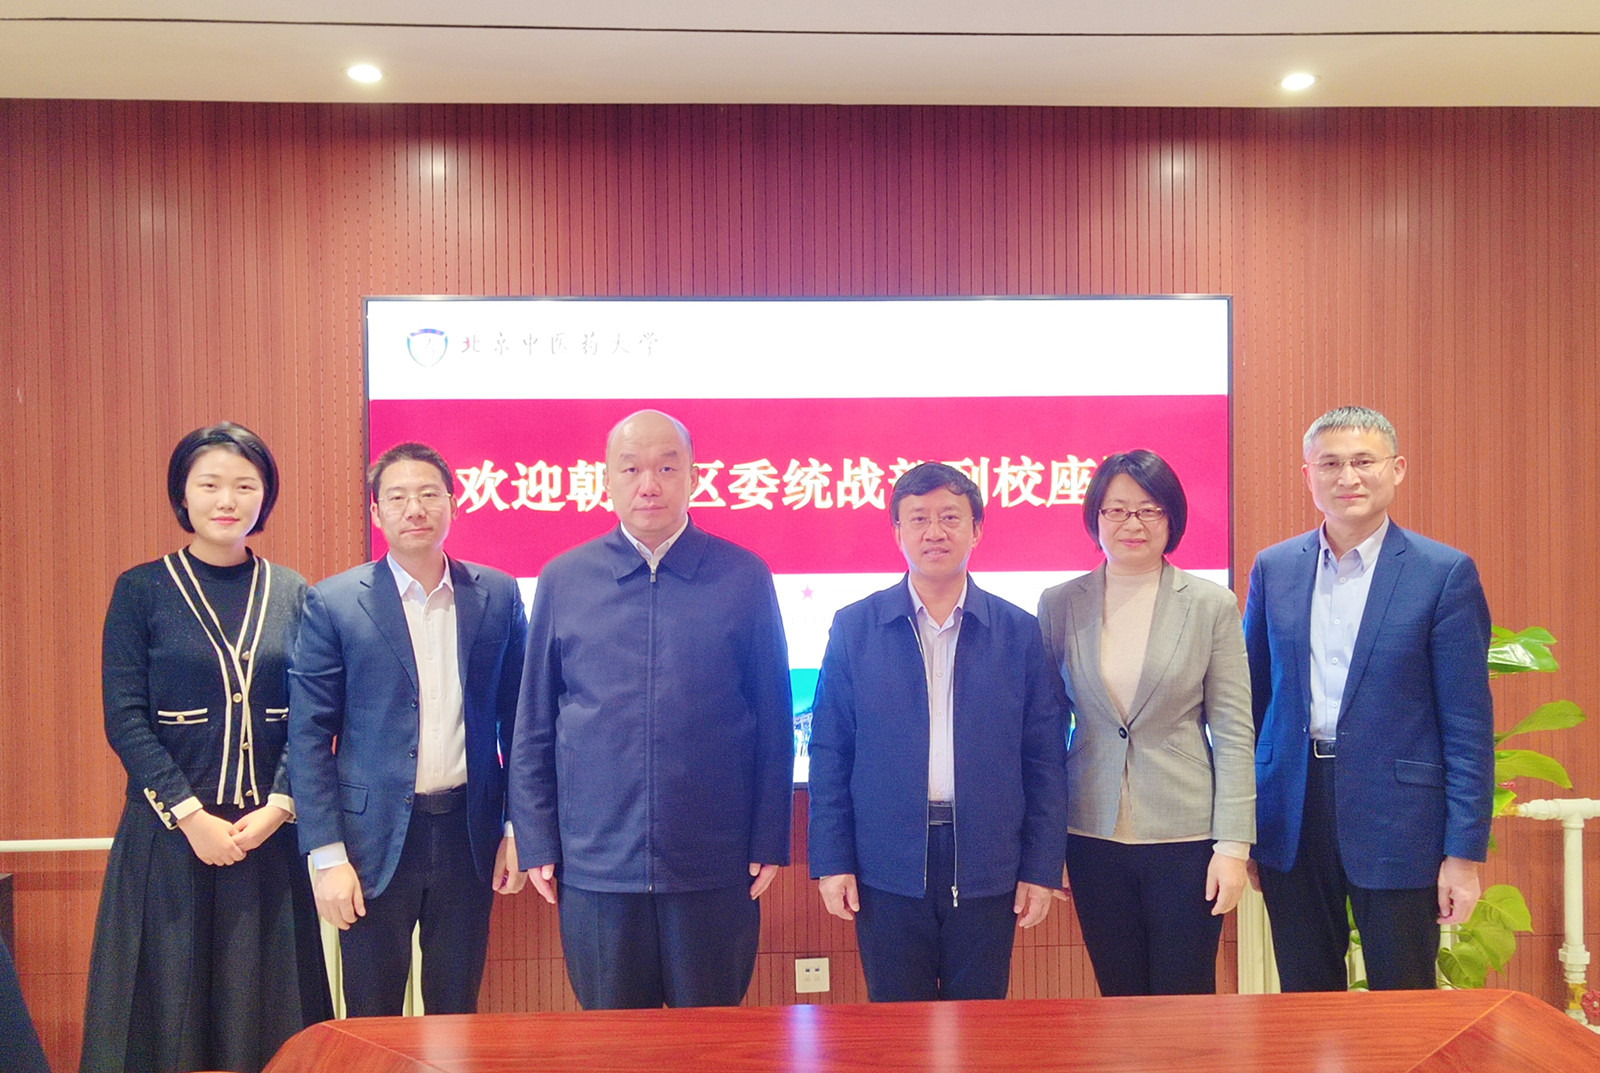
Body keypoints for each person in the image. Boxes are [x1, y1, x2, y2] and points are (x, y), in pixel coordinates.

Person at [509, 409, 793, 1010]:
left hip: (713, 863)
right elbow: (533, 723)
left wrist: (769, 836)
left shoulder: (743, 576)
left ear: (694, 477)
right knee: (614, 1044)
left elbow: (774, 717)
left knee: (709, 1042)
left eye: (667, 468)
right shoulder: (564, 578)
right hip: (596, 864)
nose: (649, 485)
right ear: (606, 480)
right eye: (631, 469)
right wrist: (536, 840)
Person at [81, 422, 331, 1073]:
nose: (227, 499)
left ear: (264, 496)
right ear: (182, 495)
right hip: (168, 840)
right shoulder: (141, 590)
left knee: (269, 1032)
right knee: (163, 1027)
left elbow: (312, 715)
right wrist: (191, 817)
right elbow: (124, 718)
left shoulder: (293, 592)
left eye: (245, 485)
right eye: (210, 484)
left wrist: (279, 807)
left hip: (263, 837)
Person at [1245, 406, 1494, 991]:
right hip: (1292, 811)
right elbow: (1253, 703)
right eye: (1330, 464)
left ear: (1396, 469)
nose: (1347, 477)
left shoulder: (1442, 573)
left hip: (1399, 820)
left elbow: (1466, 725)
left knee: (1403, 999)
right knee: (1305, 993)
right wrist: (1244, 825)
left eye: (1363, 461)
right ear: (1308, 475)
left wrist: (1462, 855)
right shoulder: (1274, 569)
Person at [808, 462, 1068, 1002]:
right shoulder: (856, 627)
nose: (935, 532)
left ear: (977, 529)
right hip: (886, 860)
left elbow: (1043, 758)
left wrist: (1041, 867)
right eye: (919, 518)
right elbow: (831, 752)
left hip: (989, 860)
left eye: (951, 517)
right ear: (897, 532)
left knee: (979, 1025)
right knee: (898, 1024)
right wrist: (833, 862)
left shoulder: (1017, 631)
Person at [287, 442, 527, 1017]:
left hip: (469, 834)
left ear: (453, 504)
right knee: (372, 1016)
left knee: (456, 1011)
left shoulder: (497, 594)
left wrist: (518, 828)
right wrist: (327, 855)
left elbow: (519, 720)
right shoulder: (335, 602)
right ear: (376, 512)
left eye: (428, 494)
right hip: (369, 843)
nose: (414, 508)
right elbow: (309, 735)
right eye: (397, 497)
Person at [1036, 450, 1254, 996]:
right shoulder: (1060, 603)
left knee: (1185, 996)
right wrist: (1046, 846)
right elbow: (1044, 731)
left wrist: (1233, 846)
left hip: (1187, 836)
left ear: (1171, 518)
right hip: (1091, 835)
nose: (1132, 523)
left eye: (1149, 509)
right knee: (1119, 995)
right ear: (1096, 517)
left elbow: (1233, 731)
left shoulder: (1210, 604)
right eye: (1116, 510)